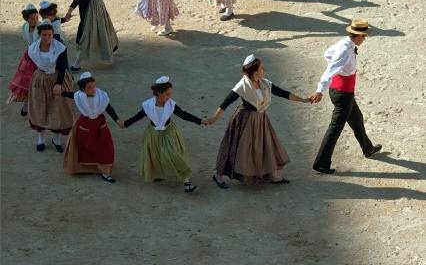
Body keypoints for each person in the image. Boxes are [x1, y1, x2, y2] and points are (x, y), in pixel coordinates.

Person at [205, 55, 310, 187]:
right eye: (261, 68)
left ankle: (273, 175)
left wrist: (304, 100)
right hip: (245, 122)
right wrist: (214, 118)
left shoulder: (264, 83)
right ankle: (218, 175)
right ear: (255, 73)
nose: (264, 70)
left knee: (267, 145)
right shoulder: (242, 86)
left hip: (261, 119)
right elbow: (226, 102)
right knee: (235, 148)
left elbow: (283, 93)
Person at [310, 20, 382, 174]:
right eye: (364, 36)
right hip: (343, 95)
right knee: (335, 128)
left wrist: (341, 72)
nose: (365, 38)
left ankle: (368, 148)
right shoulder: (345, 50)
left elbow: (327, 54)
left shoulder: (345, 43)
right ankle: (321, 164)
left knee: (357, 119)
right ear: (358, 35)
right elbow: (330, 69)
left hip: (341, 91)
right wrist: (319, 90)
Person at [122, 76, 203, 193]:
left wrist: (200, 121)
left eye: (170, 93)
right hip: (153, 134)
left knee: (175, 155)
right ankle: (159, 174)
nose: (169, 96)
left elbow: (184, 115)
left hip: (169, 133)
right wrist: (125, 124)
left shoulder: (171, 104)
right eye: (167, 94)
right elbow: (137, 117)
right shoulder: (148, 105)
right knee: (157, 156)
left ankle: (187, 183)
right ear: (158, 93)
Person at [61, 72, 121, 183]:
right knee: (85, 148)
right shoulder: (79, 96)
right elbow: (70, 94)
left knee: (106, 147)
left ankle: (106, 172)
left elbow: (108, 108)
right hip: (85, 124)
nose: (93, 89)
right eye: (89, 87)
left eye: (94, 86)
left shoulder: (101, 95)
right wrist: (60, 92)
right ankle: (88, 168)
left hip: (99, 124)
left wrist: (117, 120)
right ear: (83, 89)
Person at [64, 0, 118, 72]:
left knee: (84, 35)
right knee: (103, 28)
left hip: (91, 10)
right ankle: (111, 47)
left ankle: (77, 64)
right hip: (96, 6)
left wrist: (69, 11)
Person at [27, 21, 74, 153]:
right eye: (44, 35)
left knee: (57, 109)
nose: (47, 37)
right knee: (40, 108)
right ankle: (40, 139)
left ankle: (56, 139)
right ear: (40, 35)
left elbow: (63, 67)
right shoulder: (33, 49)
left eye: (49, 34)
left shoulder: (60, 48)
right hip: (40, 80)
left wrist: (58, 83)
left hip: (57, 79)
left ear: (53, 34)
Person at [6, 3, 40, 115]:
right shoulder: (24, 27)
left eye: (36, 17)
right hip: (29, 58)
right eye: (32, 18)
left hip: (39, 58)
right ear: (27, 19)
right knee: (26, 82)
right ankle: (26, 104)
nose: (35, 20)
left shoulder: (40, 28)